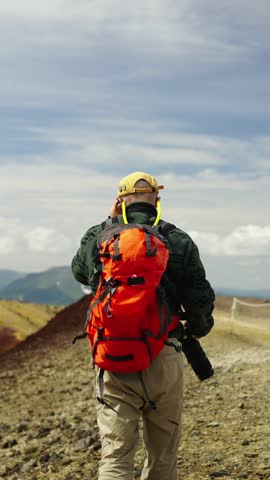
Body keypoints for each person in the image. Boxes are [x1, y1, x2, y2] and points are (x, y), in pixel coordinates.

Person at [71, 171, 215, 480]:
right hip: (164, 355)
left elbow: (80, 273)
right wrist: (198, 330)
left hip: (112, 357)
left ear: (119, 200)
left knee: (115, 458)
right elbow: (200, 301)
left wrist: (107, 224)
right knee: (162, 458)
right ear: (157, 200)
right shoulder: (177, 240)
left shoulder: (100, 237)